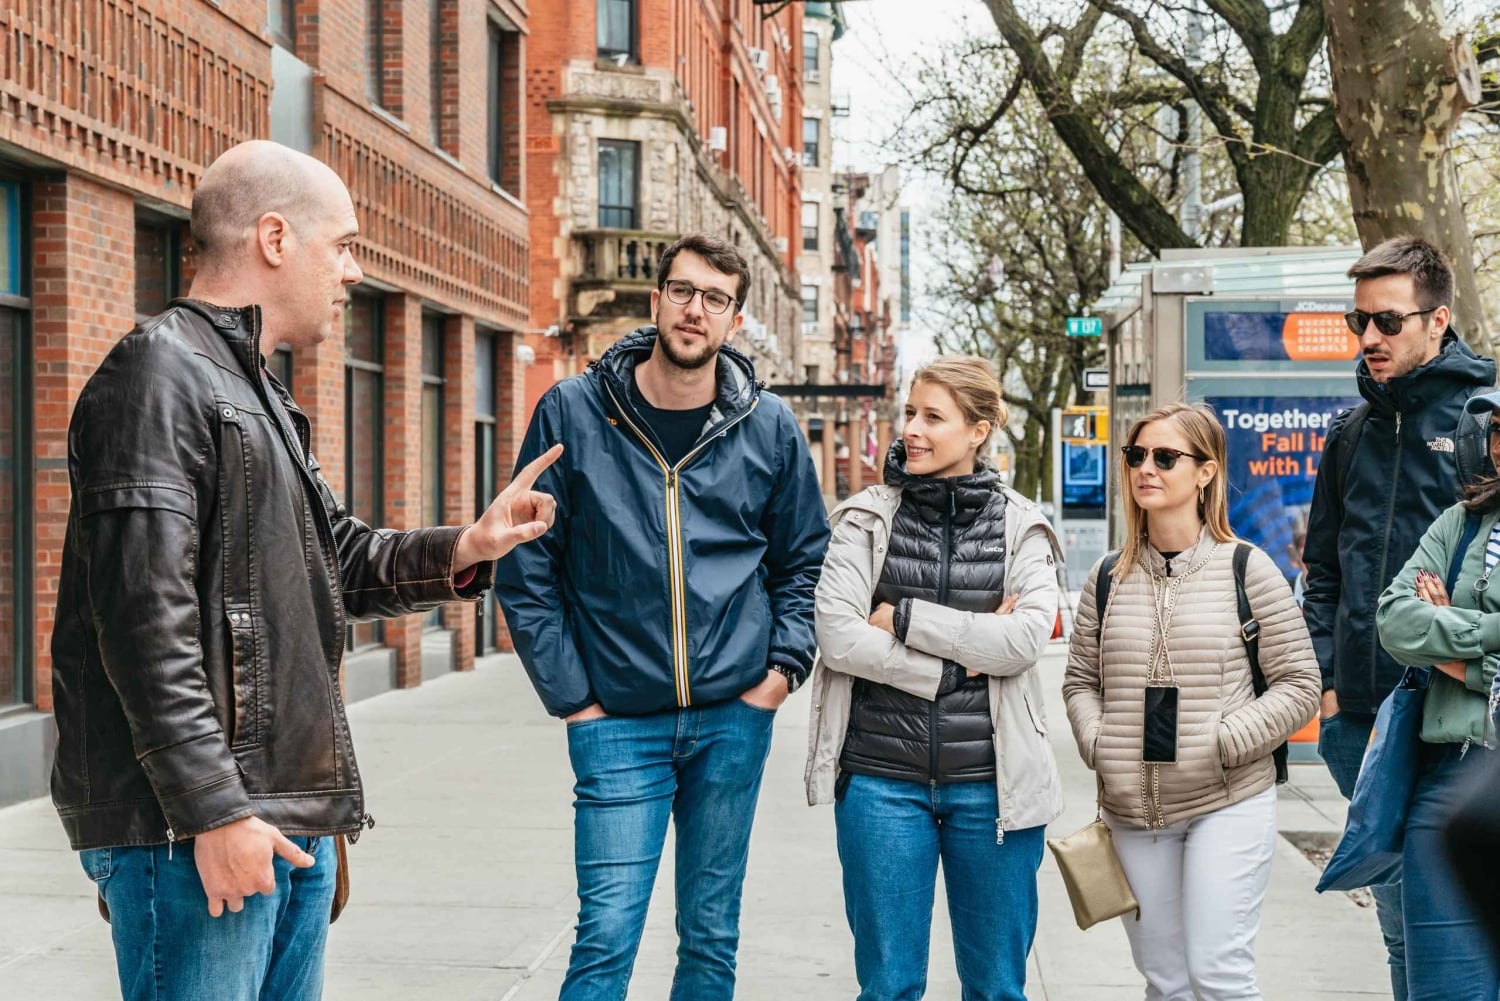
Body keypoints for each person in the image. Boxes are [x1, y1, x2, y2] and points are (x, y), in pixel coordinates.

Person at [49, 140, 560, 1001]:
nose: (354, 271)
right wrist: (214, 808)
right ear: (275, 238)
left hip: (282, 819)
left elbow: (337, 560)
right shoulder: (159, 373)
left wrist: (467, 548)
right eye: (344, 244)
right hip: (199, 830)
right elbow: (143, 622)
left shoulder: (254, 390)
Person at [494, 234, 829, 1001]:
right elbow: (525, 564)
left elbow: (804, 560)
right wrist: (574, 697)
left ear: (734, 320)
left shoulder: (769, 426)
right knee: (607, 935)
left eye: (715, 298)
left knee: (710, 937)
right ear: (656, 302)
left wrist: (778, 675)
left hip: (733, 717)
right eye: (683, 291)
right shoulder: (573, 413)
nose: (695, 309)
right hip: (616, 721)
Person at [804, 357, 1066, 1001]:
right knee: (889, 986)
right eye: (911, 413)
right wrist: (955, 665)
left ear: (978, 431)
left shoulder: (1021, 524)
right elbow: (838, 634)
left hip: (994, 789)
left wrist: (906, 618)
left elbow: (1028, 637)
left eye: (933, 417)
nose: (912, 430)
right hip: (880, 784)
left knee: (998, 989)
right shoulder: (865, 518)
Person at [1063, 403, 1320, 1000]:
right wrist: (1100, 745)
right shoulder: (1106, 578)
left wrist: (1227, 740)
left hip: (1225, 799)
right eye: (1136, 456)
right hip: (1134, 811)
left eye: (1165, 457)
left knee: (1217, 972)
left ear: (1206, 472)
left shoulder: (1247, 568)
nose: (1146, 468)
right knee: (1166, 980)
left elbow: (1301, 684)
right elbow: (1080, 681)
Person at [1301, 236, 1496, 998]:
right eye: (1359, 324)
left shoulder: (1485, 424)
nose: (1370, 340)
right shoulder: (1350, 433)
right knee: (1395, 919)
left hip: (1456, 717)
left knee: (1453, 923)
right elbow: (1322, 569)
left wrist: (1461, 657)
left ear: (1437, 319)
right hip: (1360, 720)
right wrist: (1326, 683)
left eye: (1387, 322)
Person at [1372, 387, 1500, 1000]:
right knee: (1446, 990)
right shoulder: (1460, 522)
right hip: (1450, 778)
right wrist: (1488, 650)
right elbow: (1396, 620)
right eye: (1499, 434)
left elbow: (1425, 636)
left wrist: (1451, 648)